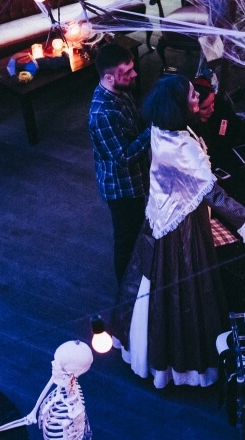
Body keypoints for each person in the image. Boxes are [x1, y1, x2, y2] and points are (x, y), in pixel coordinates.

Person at [111, 76, 245, 388]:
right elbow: (213, 195)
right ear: (179, 106)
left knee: (152, 281)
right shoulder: (183, 148)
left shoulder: (161, 126)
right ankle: (181, 365)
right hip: (182, 224)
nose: (198, 98)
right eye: (193, 96)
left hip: (160, 211)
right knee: (186, 291)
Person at [88, 42, 151, 283]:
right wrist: (154, 128)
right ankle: (126, 291)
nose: (134, 74)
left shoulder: (121, 90)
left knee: (137, 232)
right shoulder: (102, 114)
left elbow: (135, 123)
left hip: (135, 182)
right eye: (127, 71)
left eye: (132, 67)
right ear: (109, 77)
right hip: (121, 189)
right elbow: (124, 157)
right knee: (126, 240)